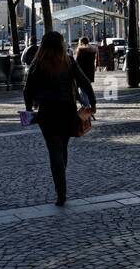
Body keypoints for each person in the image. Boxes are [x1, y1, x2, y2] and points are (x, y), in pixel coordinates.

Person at [23, 31, 97, 206]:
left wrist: (28, 109)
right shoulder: (68, 61)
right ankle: (61, 175)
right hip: (67, 111)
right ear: (61, 44)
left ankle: (60, 191)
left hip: (47, 112)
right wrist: (92, 103)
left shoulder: (38, 63)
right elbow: (85, 82)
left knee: (54, 148)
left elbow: (27, 89)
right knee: (62, 145)